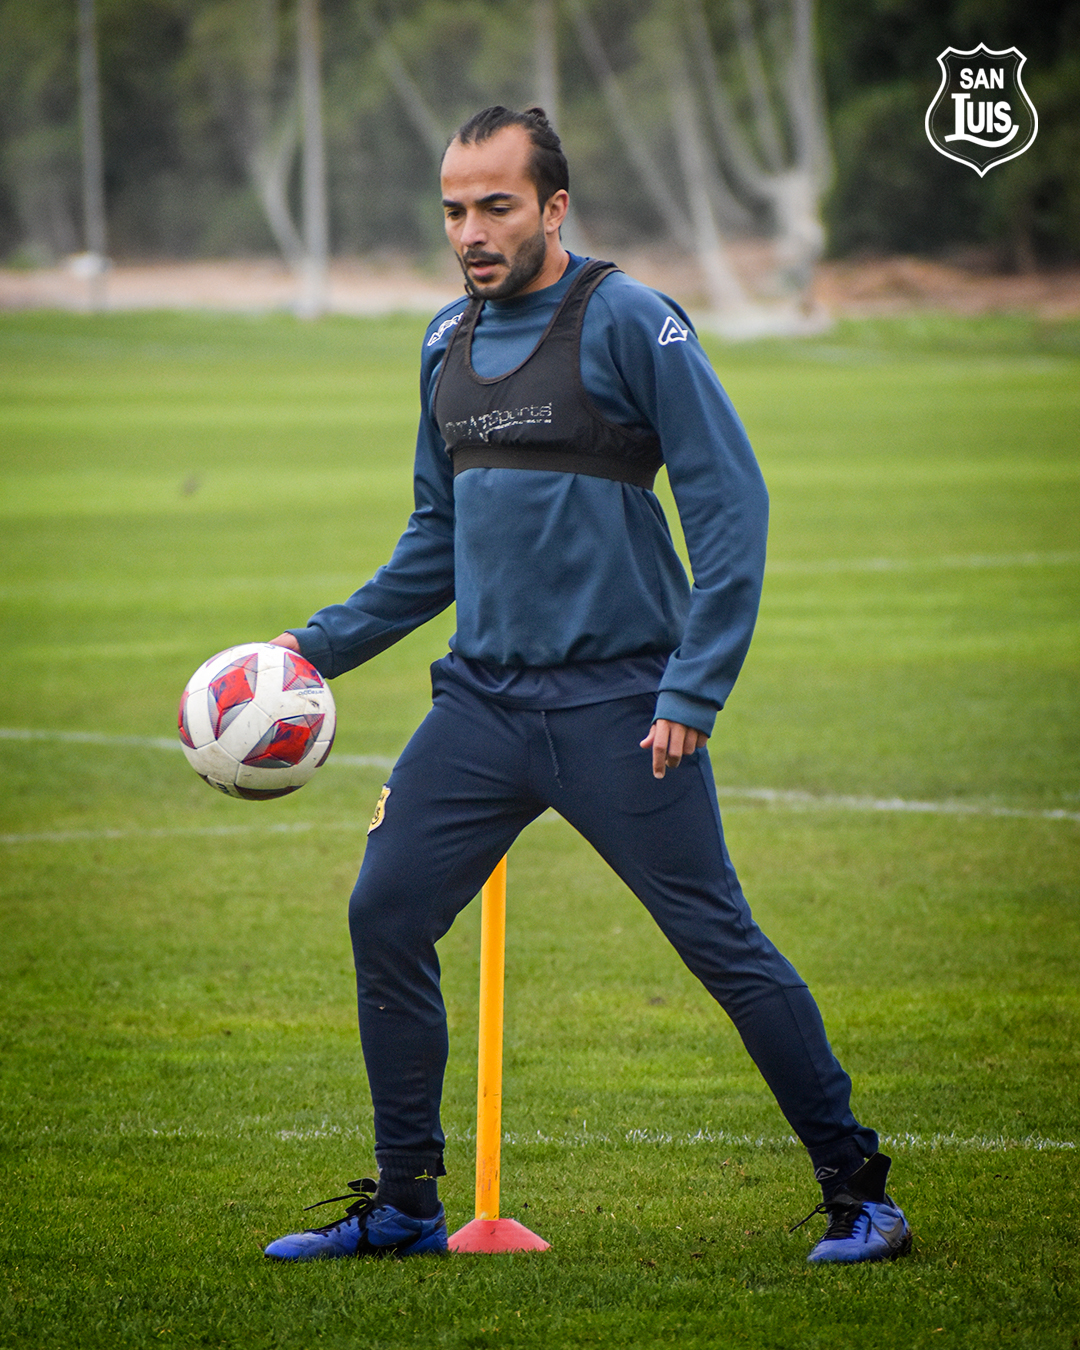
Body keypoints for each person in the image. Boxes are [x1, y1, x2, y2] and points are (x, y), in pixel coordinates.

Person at [262, 106, 911, 1266]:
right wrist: (310, 650)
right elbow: (435, 540)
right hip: (480, 711)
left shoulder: (631, 322)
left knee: (719, 942)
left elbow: (730, 509)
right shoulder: (440, 344)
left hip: (628, 712)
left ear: (554, 208)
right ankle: (409, 1207)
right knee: (385, 913)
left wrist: (693, 690)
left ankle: (860, 1190)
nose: (472, 229)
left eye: (497, 206)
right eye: (455, 208)